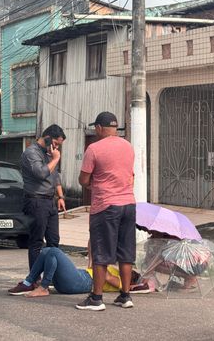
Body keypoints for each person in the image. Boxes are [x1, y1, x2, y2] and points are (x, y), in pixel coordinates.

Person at [76, 111, 136, 311]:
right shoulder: (128, 146)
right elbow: (130, 175)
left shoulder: (94, 148)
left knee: (101, 252)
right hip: (128, 204)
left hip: (105, 206)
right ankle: (125, 296)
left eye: (96, 128)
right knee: (126, 253)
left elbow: (83, 180)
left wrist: (95, 183)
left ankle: (96, 298)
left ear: (100, 128)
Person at [21, 124, 66, 270]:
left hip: (50, 201)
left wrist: (60, 196)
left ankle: (51, 276)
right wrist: (56, 159)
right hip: (36, 200)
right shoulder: (31, 153)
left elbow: (55, 176)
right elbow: (40, 173)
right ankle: (34, 279)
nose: (56, 148)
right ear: (47, 138)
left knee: (54, 241)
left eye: (59, 145)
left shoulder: (50, 154)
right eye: (55, 143)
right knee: (36, 241)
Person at [7, 247, 126, 303]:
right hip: (79, 276)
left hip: (83, 283)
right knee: (46, 251)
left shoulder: (121, 280)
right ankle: (28, 283)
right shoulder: (114, 268)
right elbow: (92, 261)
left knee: (54, 251)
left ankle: (43, 287)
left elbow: (106, 276)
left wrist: (103, 256)